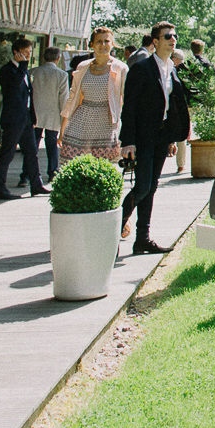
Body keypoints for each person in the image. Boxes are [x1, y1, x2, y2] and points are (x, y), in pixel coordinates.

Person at [119, 21, 190, 254]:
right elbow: (129, 107)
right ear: (155, 41)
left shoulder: (173, 69)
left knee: (152, 187)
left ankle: (143, 238)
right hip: (142, 136)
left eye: (175, 35)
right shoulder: (141, 68)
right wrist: (127, 141)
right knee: (142, 186)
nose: (173, 39)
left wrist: (171, 139)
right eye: (167, 35)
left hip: (162, 136)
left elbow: (171, 106)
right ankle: (116, 222)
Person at [59, 27, 127, 166]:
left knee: (103, 166)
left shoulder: (121, 68)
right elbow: (72, 98)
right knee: (76, 166)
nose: (103, 45)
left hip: (107, 122)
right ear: (91, 44)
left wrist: (127, 134)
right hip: (81, 121)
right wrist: (63, 129)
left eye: (107, 41)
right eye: (99, 41)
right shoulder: (83, 66)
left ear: (112, 43)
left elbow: (127, 101)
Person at [0, 38, 47, 200]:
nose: (28, 56)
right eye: (25, 53)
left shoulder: (24, 71)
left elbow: (27, 95)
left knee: (32, 152)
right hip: (13, 118)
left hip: (26, 118)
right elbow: (14, 87)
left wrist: (33, 115)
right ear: (16, 53)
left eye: (30, 53)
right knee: (7, 154)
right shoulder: (7, 70)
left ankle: (36, 185)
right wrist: (23, 66)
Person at [31, 46, 70, 185]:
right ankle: (53, 171)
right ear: (58, 59)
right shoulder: (62, 75)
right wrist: (64, 119)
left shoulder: (33, 72)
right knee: (52, 144)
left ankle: (27, 173)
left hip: (35, 114)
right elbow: (64, 99)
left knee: (32, 146)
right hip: (53, 114)